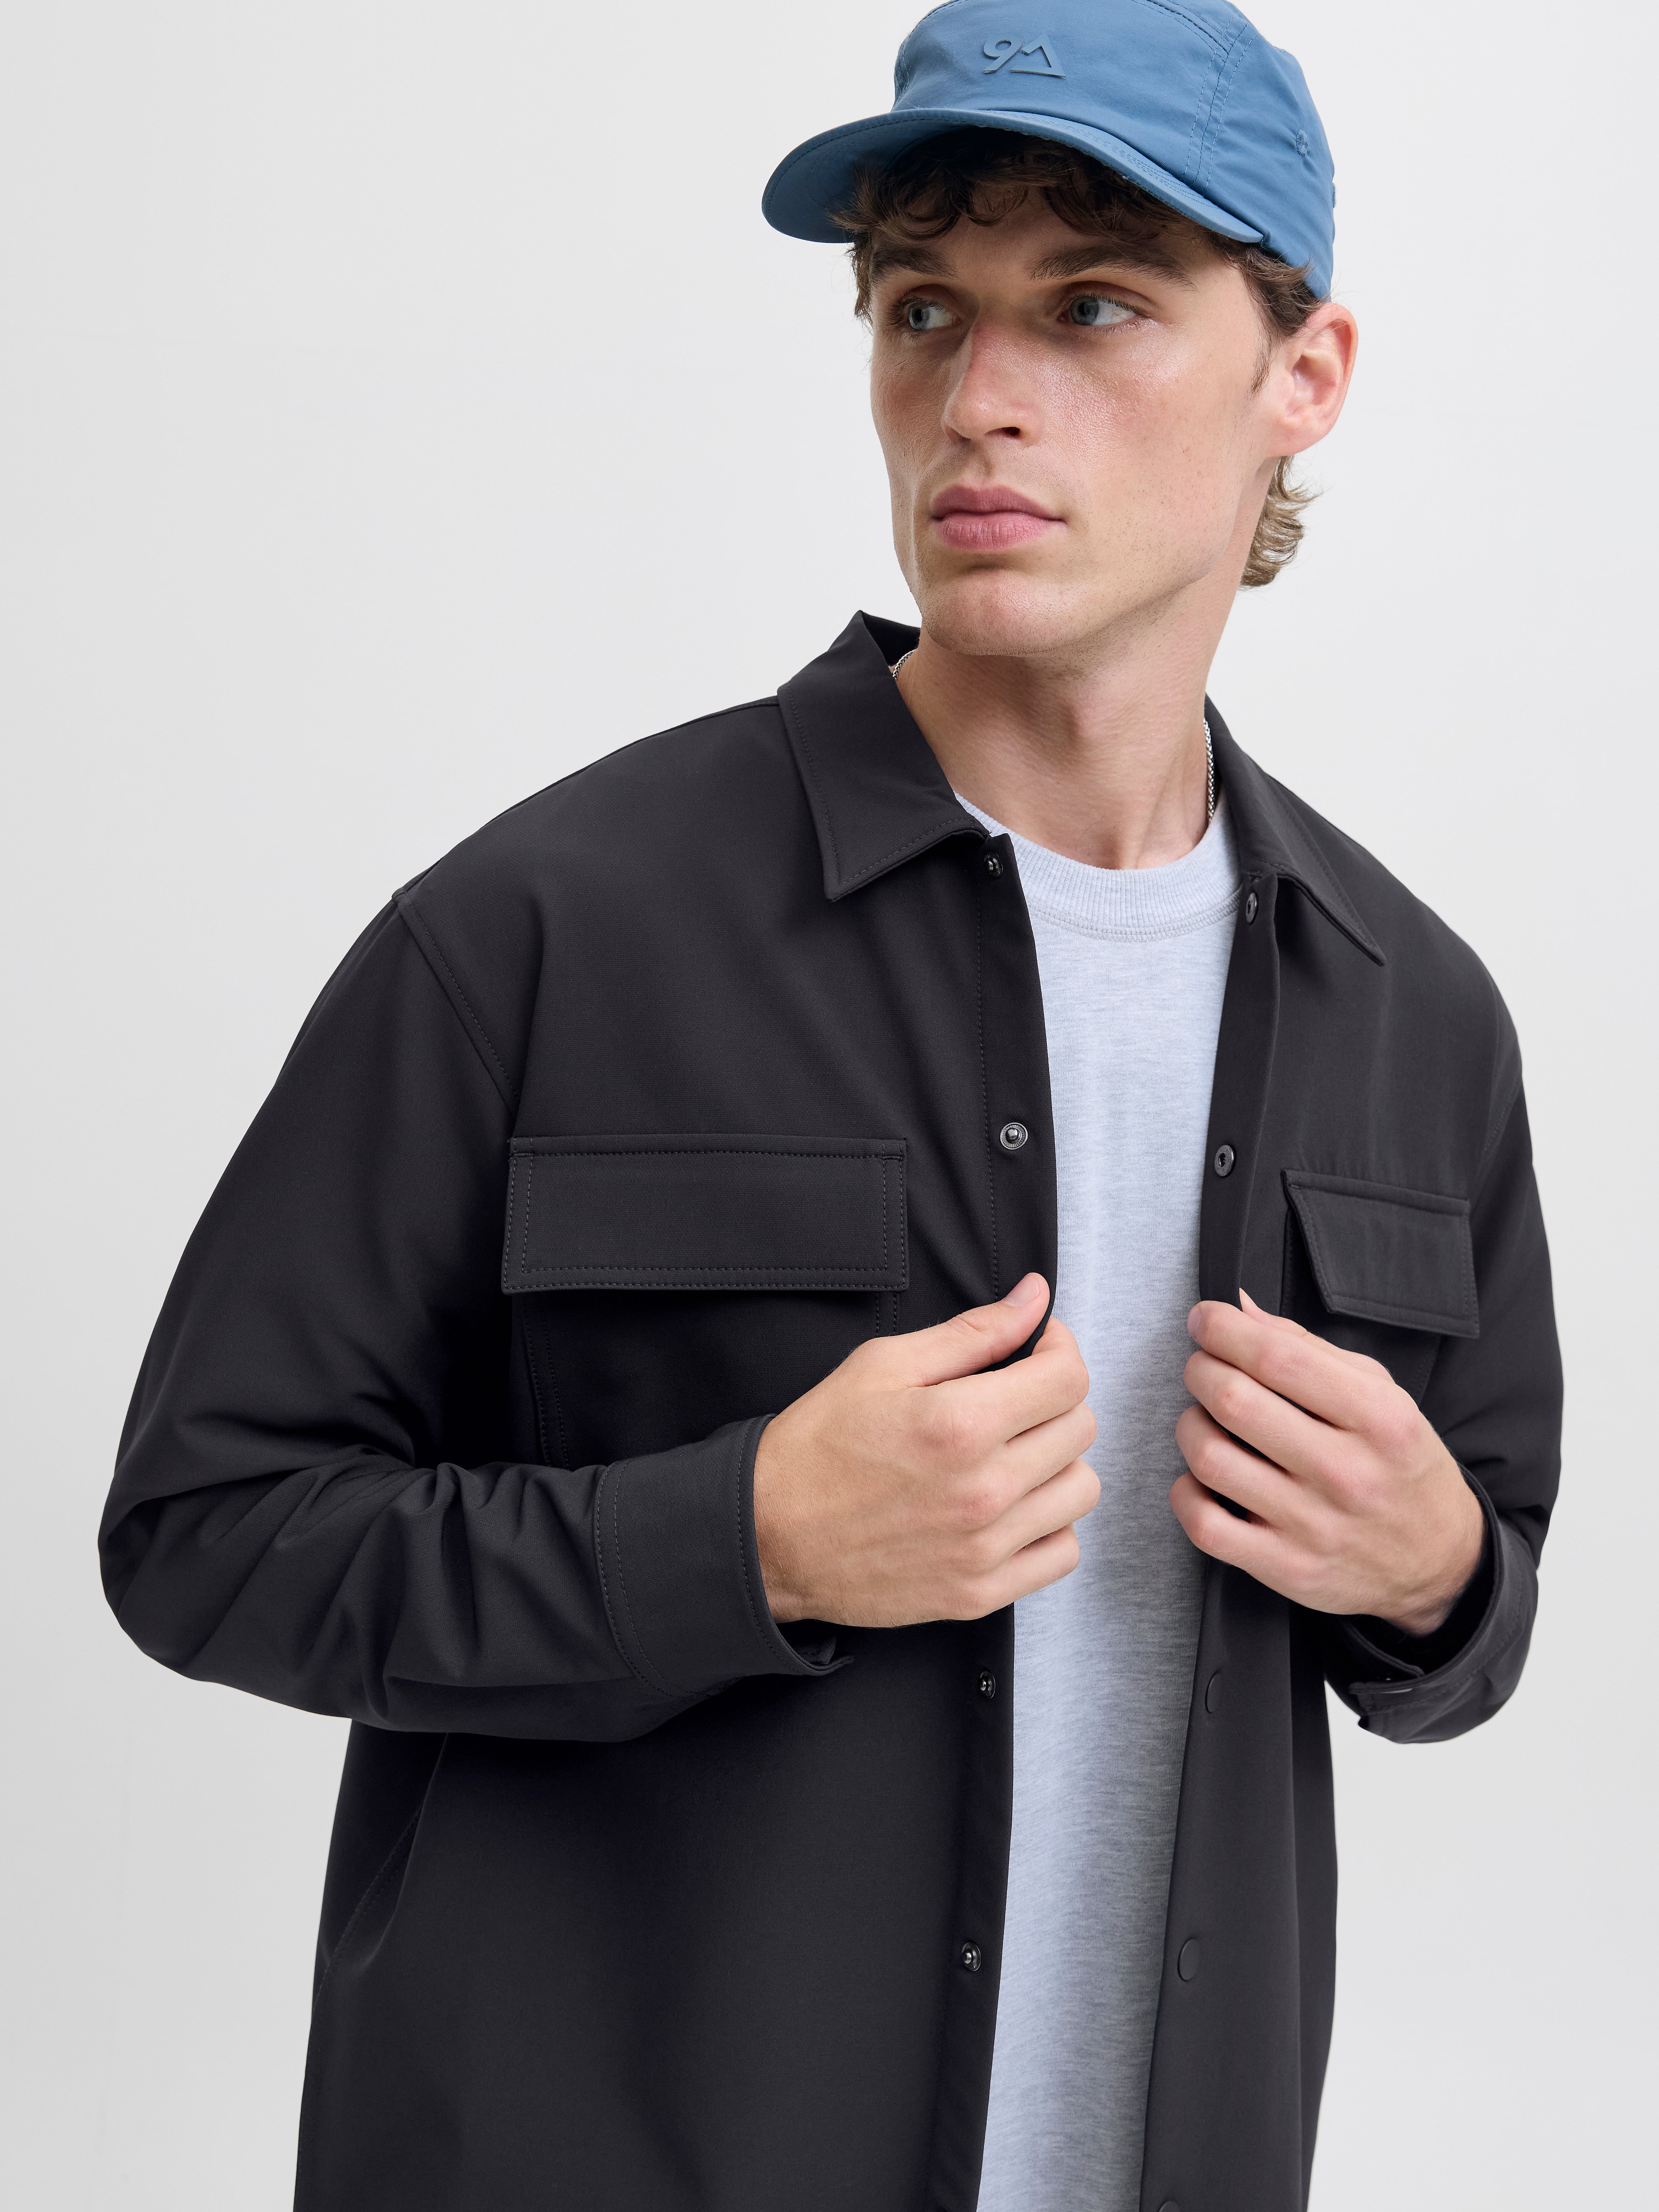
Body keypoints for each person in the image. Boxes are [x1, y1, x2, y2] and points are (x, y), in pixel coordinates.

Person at [99, 3, 1562, 2207]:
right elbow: (205, 1535)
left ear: (1305, 373)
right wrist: (745, 1540)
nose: (977, 398)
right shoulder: (540, 930)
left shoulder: (1409, 1013)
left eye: (1092, 307)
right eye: (920, 311)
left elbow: (1475, 1602)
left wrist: (1435, 1578)